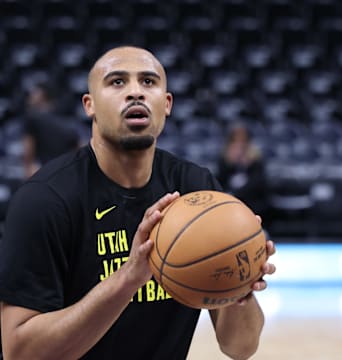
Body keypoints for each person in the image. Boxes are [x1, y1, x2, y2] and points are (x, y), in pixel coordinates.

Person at [0, 46, 276, 360]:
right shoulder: (45, 199)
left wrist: (240, 288)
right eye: (117, 82)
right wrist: (129, 277)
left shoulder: (196, 190)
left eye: (148, 82)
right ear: (89, 105)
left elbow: (240, 347)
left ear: (167, 103)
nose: (135, 92)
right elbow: (20, 353)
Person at [23, 81, 82, 177]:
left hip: (46, 173)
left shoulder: (32, 117)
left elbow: (28, 152)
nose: (30, 95)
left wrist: (28, 169)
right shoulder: (67, 118)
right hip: (65, 173)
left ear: (42, 95)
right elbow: (79, 147)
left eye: (34, 92)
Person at [216, 123, 269, 224]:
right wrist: (231, 165)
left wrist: (248, 166)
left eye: (243, 142)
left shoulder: (256, 160)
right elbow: (220, 182)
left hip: (252, 201)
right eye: (235, 142)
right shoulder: (224, 160)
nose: (239, 146)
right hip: (229, 201)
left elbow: (260, 183)